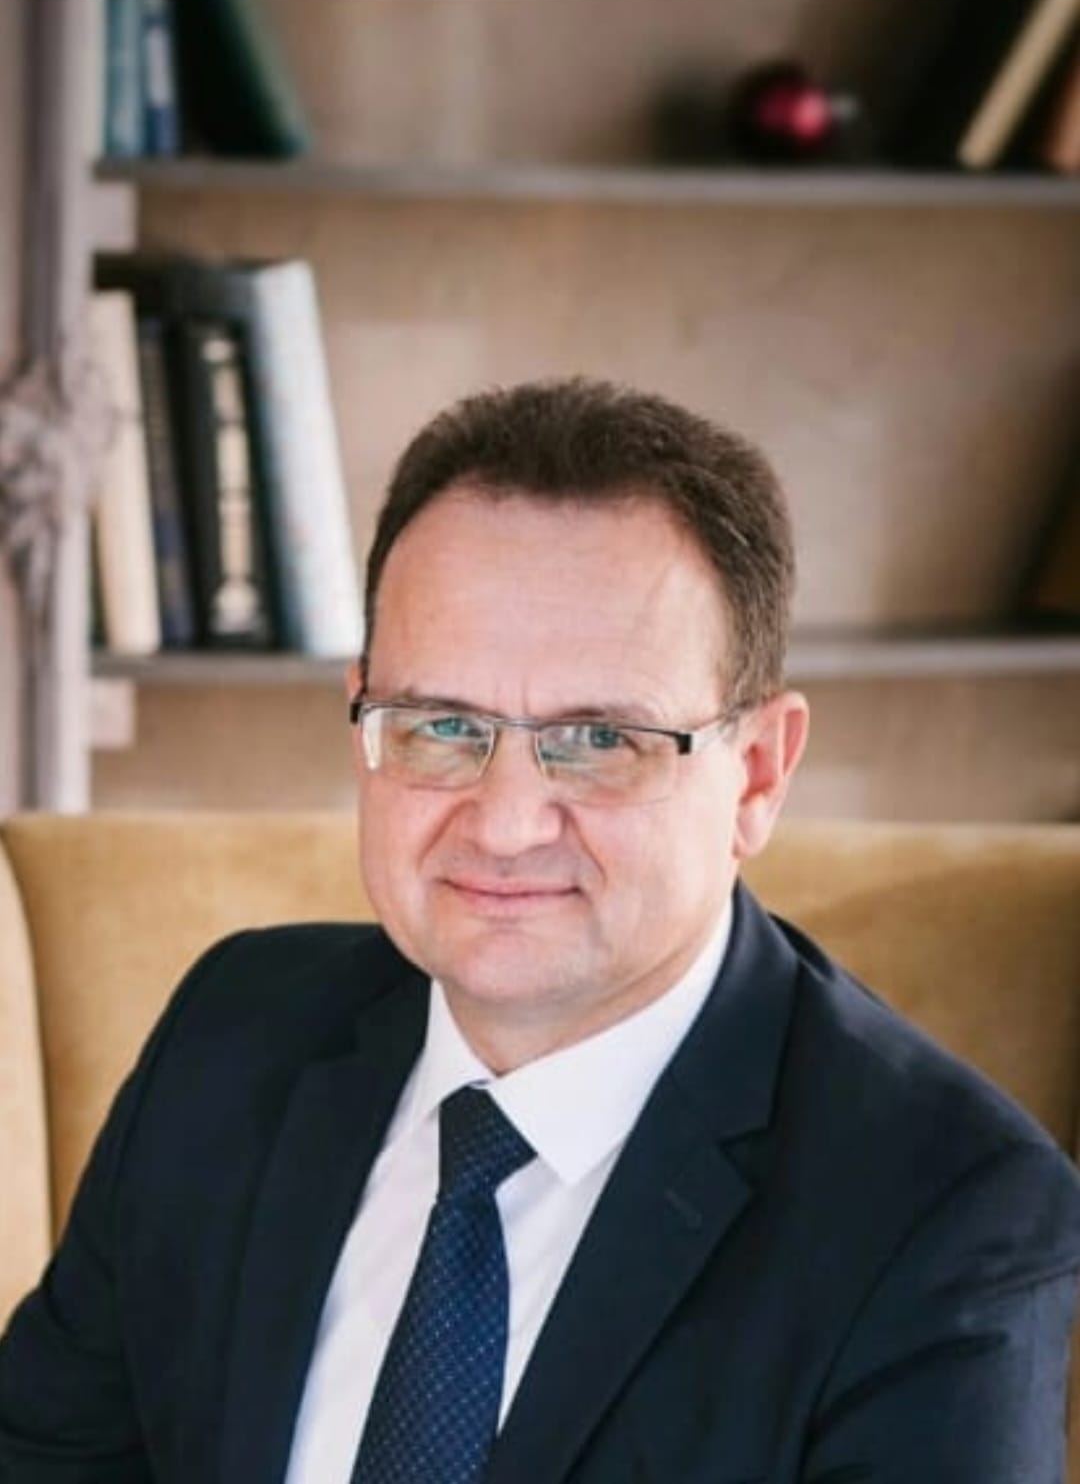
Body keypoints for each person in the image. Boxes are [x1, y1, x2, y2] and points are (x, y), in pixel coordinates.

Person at [1, 377, 1079, 1483]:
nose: (506, 824)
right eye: (441, 724)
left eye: (600, 740)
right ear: (363, 716)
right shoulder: (230, 1037)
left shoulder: (947, 1217)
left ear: (758, 773)